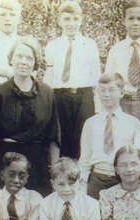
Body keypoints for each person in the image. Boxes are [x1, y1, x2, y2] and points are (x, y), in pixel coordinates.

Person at [0, 36, 60, 196]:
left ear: (35, 62)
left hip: (37, 167)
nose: (24, 62)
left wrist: (56, 175)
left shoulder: (47, 93)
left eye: (29, 58)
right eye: (19, 56)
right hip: (6, 164)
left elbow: (54, 137)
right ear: (11, 59)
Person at [44, 0, 101, 159]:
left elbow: (96, 78)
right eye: (67, 19)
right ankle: (62, 176)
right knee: (62, 138)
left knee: (83, 138)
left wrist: (98, 105)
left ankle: (82, 176)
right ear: (59, 20)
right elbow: (49, 75)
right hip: (60, 96)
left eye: (75, 19)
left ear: (81, 20)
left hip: (84, 96)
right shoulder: (52, 46)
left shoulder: (89, 45)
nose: (71, 23)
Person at [79, 72, 140, 199]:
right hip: (96, 179)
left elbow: (139, 159)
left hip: (122, 179)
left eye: (111, 90)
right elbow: (85, 158)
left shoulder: (133, 123)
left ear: (122, 93)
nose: (106, 94)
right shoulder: (90, 123)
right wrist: (82, 186)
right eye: (102, 90)